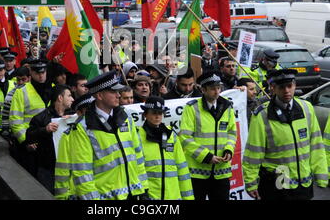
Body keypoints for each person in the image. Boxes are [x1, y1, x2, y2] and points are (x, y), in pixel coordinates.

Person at [55, 70, 149, 200]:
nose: (118, 95)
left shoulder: (125, 117)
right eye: (113, 92)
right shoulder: (83, 127)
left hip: (133, 194)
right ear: (99, 95)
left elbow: (138, 155)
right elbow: (82, 173)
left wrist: (143, 189)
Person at [243, 69, 328, 201]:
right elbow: (254, 152)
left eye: (289, 86)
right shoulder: (262, 115)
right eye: (282, 87)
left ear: (295, 86)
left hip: (303, 180)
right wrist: (251, 182)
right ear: (273, 88)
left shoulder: (307, 108)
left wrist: (321, 174)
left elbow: (316, 144)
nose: (287, 91)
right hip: (279, 179)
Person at [179, 71, 237, 200]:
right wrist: (206, 156)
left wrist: (229, 149)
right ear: (203, 90)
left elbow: (232, 132)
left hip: (221, 172)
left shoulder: (227, 106)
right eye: (212, 89)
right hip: (198, 173)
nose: (217, 92)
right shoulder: (192, 108)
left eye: (218, 88)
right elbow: (185, 138)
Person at [138, 96, 194, 200]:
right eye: (154, 112)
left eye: (160, 113)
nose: (157, 116)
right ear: (145, 114)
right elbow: (137, 170)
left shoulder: (171, 135)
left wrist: (188, 198)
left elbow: (182, 169)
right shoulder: (138, 136)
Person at [26, 85, 74, 194]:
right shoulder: (41, 118)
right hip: (47, 169)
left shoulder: (73, 115)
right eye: (69, 95)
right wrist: (45, 130)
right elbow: (29, 137)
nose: (72, 99)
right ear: (60, 98)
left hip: (69, 168)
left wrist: (75, 119)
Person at [9, 59, 54, 176]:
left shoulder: (53, 89)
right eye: (37, 73)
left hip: (50, 142)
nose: (41, 76)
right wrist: (25, 141)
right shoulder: (21, 92)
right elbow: (15, 121)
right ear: (31, 74)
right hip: (31, 144)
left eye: (43, 72)